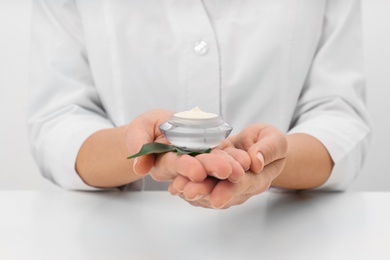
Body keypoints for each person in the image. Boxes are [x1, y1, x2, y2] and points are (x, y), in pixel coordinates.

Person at [28, 0, 371, 209]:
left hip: (286, 233)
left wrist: (272, 162)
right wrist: (140, 150)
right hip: (116, 239)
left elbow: (338, 115)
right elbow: (58, 121)